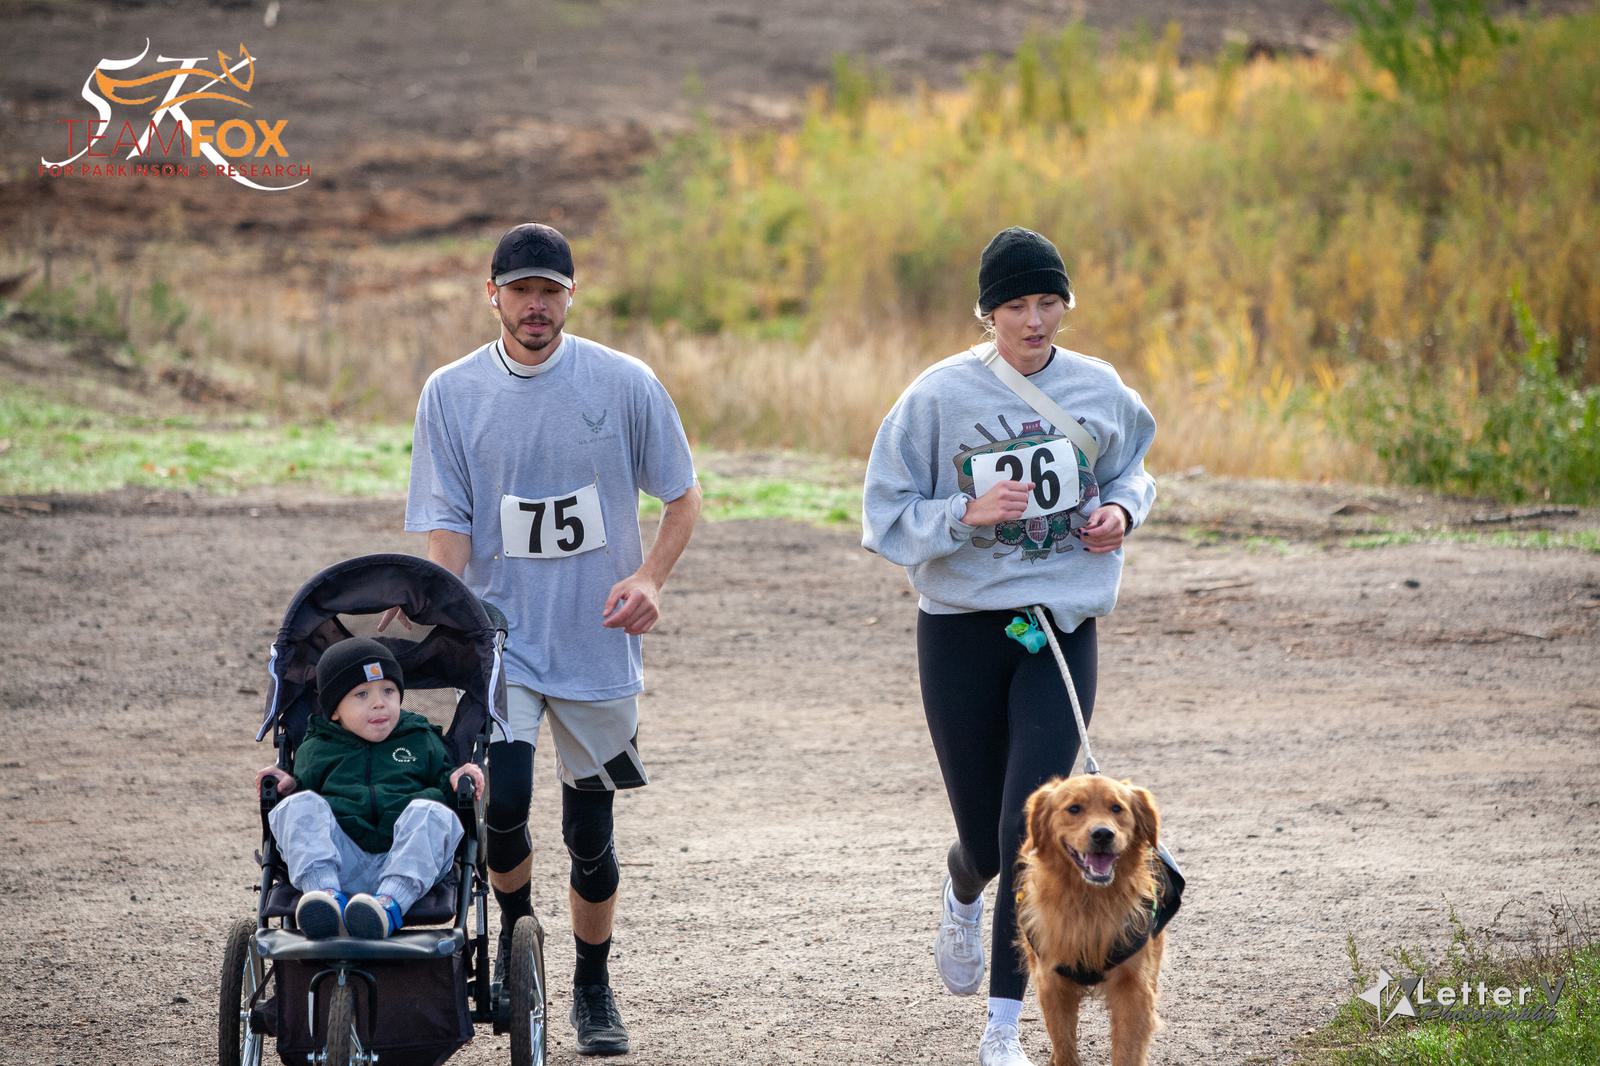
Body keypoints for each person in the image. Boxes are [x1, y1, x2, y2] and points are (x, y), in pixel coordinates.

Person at [399, 222, 701, 1056]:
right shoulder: (451, 393)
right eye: (521, 290)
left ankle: (593, 983)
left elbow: (682, 497)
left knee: (591, 839)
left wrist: (649, 582)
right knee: (501, 806)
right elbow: (447, 526)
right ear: (490, 294)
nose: (536, 305)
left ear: (573, 295)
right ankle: (519, 943)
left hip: (597, 643)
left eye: (551, 290)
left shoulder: (624, 382)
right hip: (505, 641)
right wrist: (445, 611)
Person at [861, 226, 1157, 1066]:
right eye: (1015, 306)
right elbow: (883, 519)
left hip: (1058, 628)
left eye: (1046, 303)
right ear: (985, 313)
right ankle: (961, 889)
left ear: (1065, 305)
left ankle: (1000, 1030)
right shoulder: (934, 400)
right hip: (960, 629)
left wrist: (1122, 514)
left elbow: (1136, 465)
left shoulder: (1098, 389)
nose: (1033, 321)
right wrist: (966, 514)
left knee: (1030, 825)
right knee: (987, 839)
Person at [256, 637, 484, 941]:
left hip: (407, 862)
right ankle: (324, 900)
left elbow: (444, 785)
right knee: (296, 808)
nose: (379, 703)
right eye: (361, 694)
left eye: (388, 691)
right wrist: (289, 786)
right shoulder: (317, 748)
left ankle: (387, 908)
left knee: (430, 811)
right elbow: (309, 816)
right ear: (334, 710)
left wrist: (459, 777)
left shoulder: (419, 738)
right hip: (340, 862)